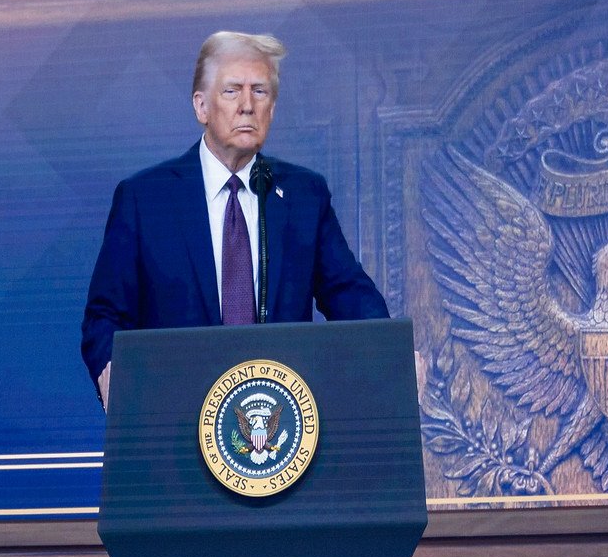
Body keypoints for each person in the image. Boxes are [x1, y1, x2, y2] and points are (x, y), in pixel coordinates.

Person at [80, 30, 388, 406]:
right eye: (231, 91)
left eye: (259, 91)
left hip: (279, 428)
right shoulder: (145, 200)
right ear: (201, 107)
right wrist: (113, 371)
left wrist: (391, 354)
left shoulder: (304, 196)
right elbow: (106, 315)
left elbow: (349, 295)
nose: (247, 105)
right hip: (176, 417)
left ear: (272, 109)